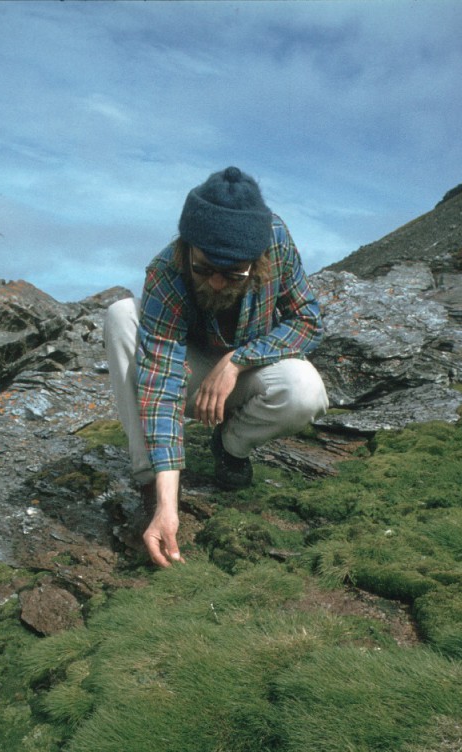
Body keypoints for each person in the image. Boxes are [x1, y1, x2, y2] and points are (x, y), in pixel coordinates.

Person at [104, 166, 328, 568]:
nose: (218, 284)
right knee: (121, 314)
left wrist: (237, 361)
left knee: (305, 389)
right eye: (205, 269)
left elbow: (307, 321)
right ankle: (150, 486)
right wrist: (168, 505)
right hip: (187, 373)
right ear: (189, 247)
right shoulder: (167, 272)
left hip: (243, 370)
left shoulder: (275, 242)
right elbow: (160, 382)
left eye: (233, 273)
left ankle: (231, 446)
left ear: (257, 260)